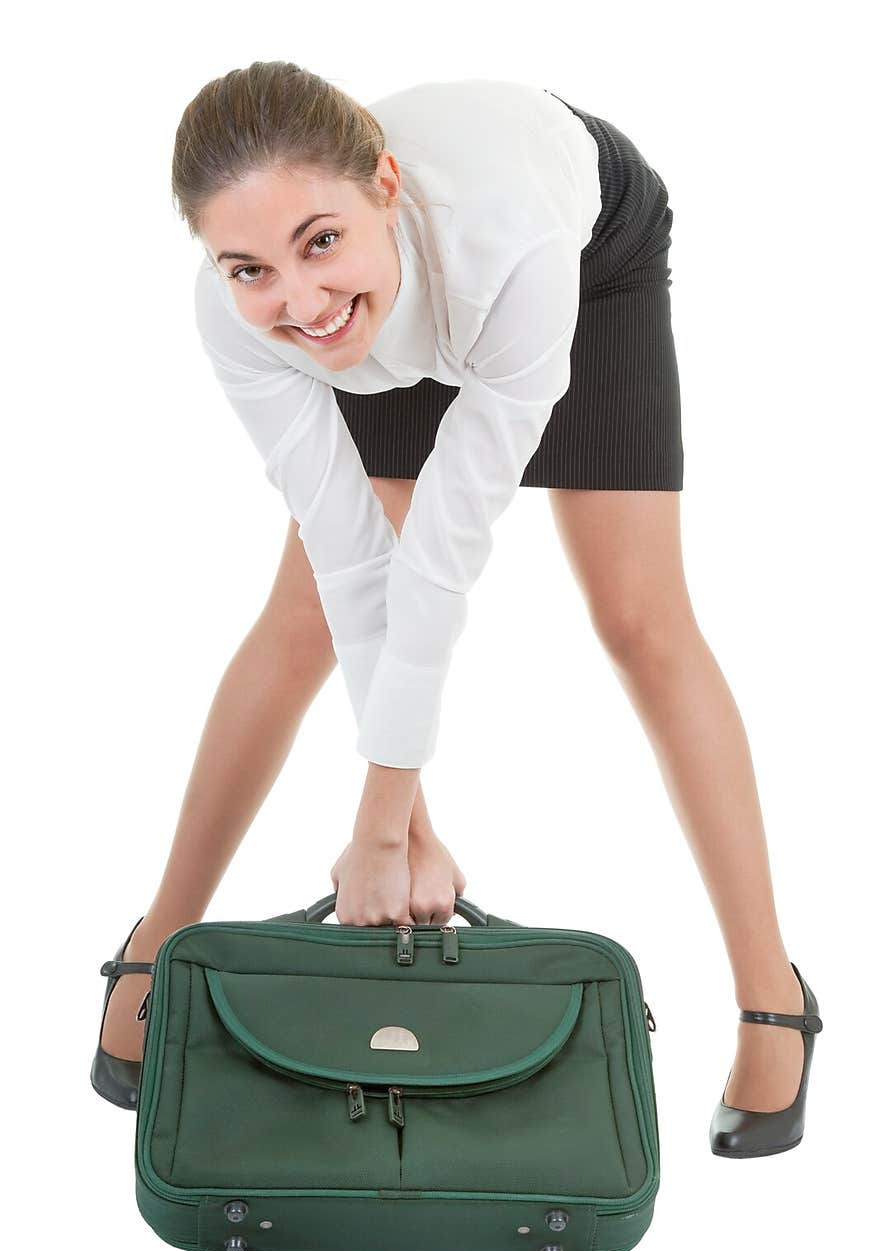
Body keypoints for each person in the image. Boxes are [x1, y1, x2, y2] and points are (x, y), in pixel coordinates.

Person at [91, 63, 822, 1156]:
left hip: (573, 257)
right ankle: (158, 942)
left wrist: (377, 825)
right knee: (301, 616)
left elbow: (441, 558)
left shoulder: (512, 251)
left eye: (315, 240)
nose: (293, 297)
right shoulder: (254, 315)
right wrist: (406, 830)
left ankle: (777, 998)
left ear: (382, 182)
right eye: (248, 264)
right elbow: (355, 563)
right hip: (402, 294)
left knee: (640, 622)